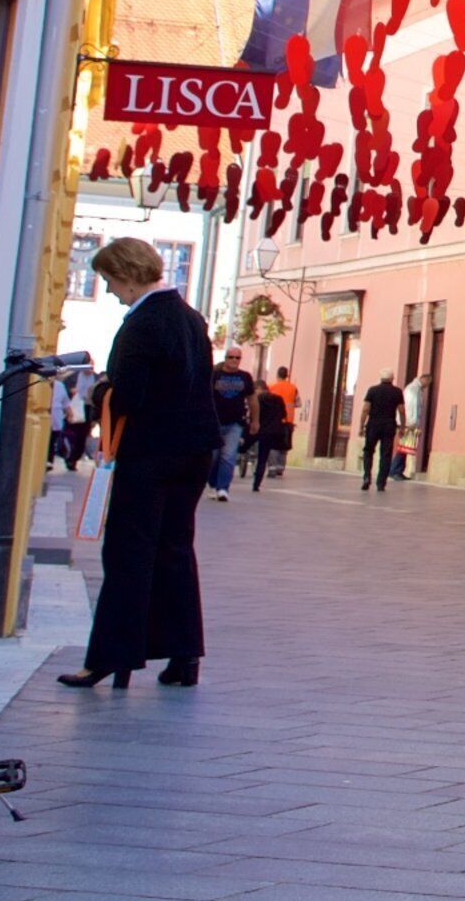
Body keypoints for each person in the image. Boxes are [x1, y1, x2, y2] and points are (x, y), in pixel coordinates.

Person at [58, 238, 218, 691]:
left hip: (149, 452)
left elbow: (128, 396)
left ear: (127, 275)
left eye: (110, 281)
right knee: (176, 548)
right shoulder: (190, 318)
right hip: (194, 450)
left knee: (129, 552)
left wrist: (99, 391)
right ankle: (184, 655)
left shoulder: (141, 324)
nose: (110, 291)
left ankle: (110, 657)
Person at [206, 350, 257, 501]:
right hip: (214, 422)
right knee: (214, 457)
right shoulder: (214, 375)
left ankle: (223, 488)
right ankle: (212, 484)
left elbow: (252, 400)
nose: (234, 360)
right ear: (225, 358)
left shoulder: (245, 377)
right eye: (231, 357)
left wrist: (255, 420)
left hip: (235, 423)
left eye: (238, 358)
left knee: (228, 456)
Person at [360, 373, 405, 491]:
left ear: (381, 378)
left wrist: (361, 426)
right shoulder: (397, 392)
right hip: (389, 425)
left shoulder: (372, 390)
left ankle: (366, 476)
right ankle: (381, 483)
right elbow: (401, 411)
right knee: (386, 454)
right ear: (392, 378)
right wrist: (402, 427)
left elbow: (366, 409)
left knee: (368, 451)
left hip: (373, 424)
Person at [252, 370, 293, 491]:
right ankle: (274, 471)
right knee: (273, 453)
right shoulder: (280, 397)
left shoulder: (259, 399)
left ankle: (257, 481)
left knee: (259, 456)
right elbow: (283, 414)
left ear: (259, 388)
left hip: (261, 430)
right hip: (276, 431)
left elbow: (254, 414)